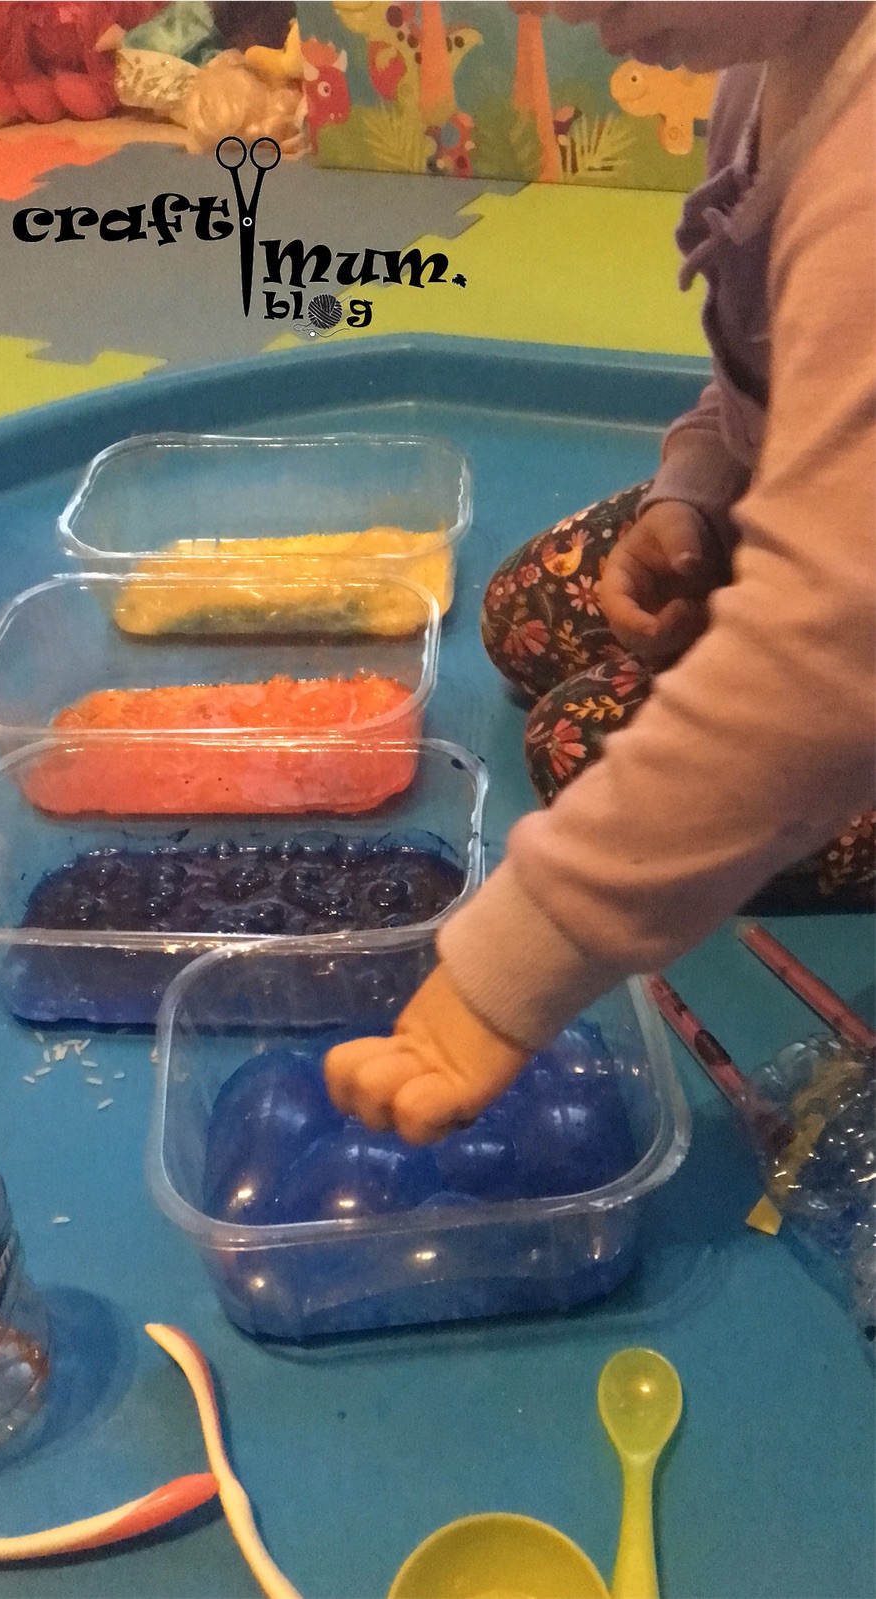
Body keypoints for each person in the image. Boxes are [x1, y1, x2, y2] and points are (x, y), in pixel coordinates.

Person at [325, 2, 876, 1146]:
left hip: (847, 635)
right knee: (526, 611)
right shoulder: (771, 47)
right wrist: (696, 490)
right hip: (834, 520)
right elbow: (772, 365)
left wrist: (519, 960)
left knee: (582, 754)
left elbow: (825, 651)